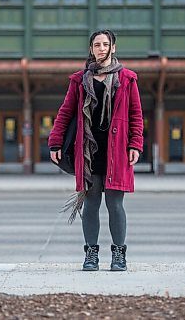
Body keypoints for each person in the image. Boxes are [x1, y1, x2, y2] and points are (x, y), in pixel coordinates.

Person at [48, 29, 143, 272]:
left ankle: (119, 255)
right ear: (91, 49)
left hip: (117, 150)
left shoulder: (128, 78)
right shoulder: (79, 80)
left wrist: (135, 144)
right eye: (96, 45)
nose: (101, 48)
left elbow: (135, 115)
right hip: (88, 150)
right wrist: (55, 143)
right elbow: (65, 112)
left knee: (115, 204)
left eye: (105, 44)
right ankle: (91, 254)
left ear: (113, 48)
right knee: (90, 204)